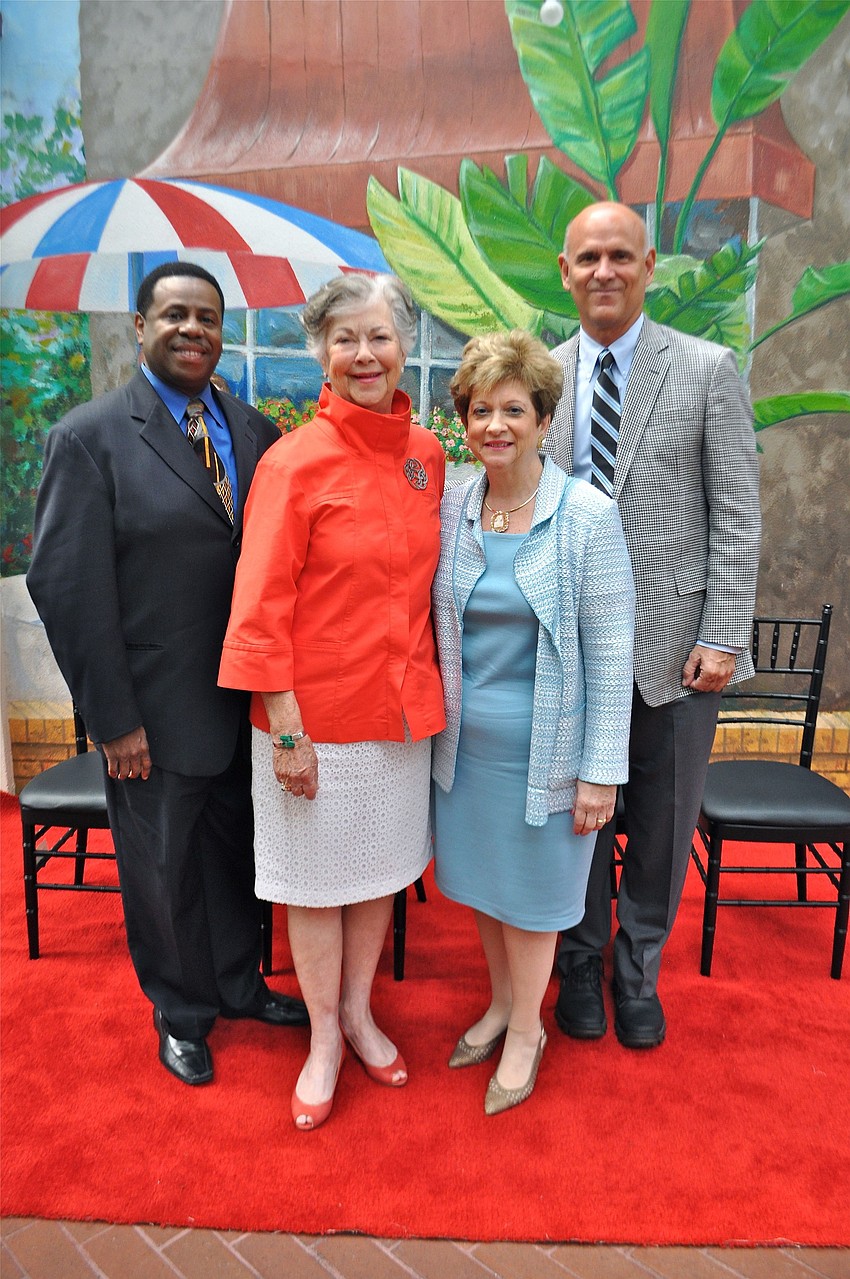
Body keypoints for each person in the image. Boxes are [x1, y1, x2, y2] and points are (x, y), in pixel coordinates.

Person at [27, 262, 309, 1088]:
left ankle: (238, 984)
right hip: (150, 712)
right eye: (176, 315)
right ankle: (181, 1014)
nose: (195, 330)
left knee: (235, 858)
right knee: (162, 869)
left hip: (245, 704)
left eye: (209, 319)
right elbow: (68, 587)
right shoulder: (91, 436)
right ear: (140, 325)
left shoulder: (255, 432)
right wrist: (112, 719)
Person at [218, 273, 446, 1131]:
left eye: (379, 336)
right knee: (313, 886)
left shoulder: (428, 454)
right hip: (309, 724)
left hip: (397, 721)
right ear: (319, 351)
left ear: (404, 346)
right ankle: (321, 1035)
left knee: (377, 877)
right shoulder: (292, 462)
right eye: (344, 338)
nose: (364, 354)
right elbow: (259, 608)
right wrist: (285, 732)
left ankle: (359, 1011)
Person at [546, 201, 761, 1049]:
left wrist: (725, 631)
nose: (604, 270)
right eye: (588, 257)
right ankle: (579, 962)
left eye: (620, 256)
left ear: (649, 264)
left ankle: (637, 972)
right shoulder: (545, 376)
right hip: (566, 651)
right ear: (564, 271)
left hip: (678, 650)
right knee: (578, 819)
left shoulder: (707, 369)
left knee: (664, 827)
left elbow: (737, 515)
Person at [431, 330, 635, 1115]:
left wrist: (599, 771)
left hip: (547, 752)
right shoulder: (454, 500)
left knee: (535, 900)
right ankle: (498, 1004)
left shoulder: (586, 514)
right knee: (486, 888)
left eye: (514, 408)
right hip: (467, 753)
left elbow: (612, 655)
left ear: (545, 419)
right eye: (481, 409)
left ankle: (527, 1031)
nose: (496, 425)